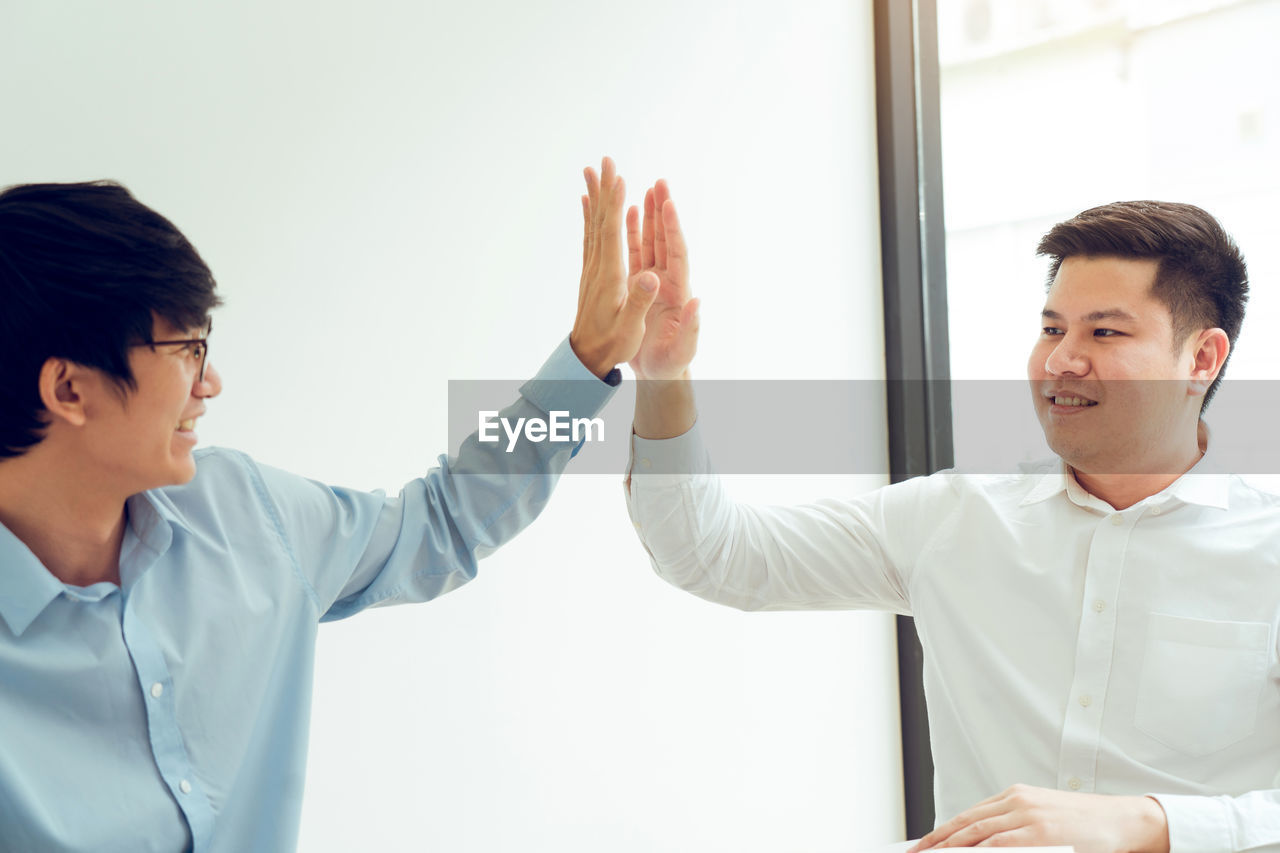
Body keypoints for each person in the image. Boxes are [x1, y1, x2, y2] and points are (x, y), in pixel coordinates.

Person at [0, 158, 659, 852]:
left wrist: (584, 365)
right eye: (187, 349)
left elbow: (437, 519)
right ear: (69, 389)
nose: (211, 382)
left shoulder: (241, 510)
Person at [623, 194, 1280, 852]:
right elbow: (707, 553)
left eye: (1104, 333)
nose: (1060, 361)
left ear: (1201, 358)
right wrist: (664, 379)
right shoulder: (955, 517)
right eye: (1053, 329)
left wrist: (1153, 822)